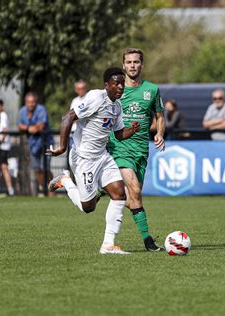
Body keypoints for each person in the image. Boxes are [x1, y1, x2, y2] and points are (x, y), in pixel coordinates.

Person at [47, 67, 140, 255]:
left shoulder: (117, 106)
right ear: (107, 85)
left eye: (122, 83)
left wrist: (133, 130)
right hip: (83, 159)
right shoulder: (96, 97)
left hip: (102, 157)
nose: (121, 86)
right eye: (116, 83)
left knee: (119, 194)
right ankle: (64, 181)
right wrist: (62, 147)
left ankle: (108, 245)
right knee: (88, 207)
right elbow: (67, 118)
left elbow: (119, 134)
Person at [106, 48, 165, 252]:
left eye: (136, 62)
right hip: (119, 147)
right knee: (136, 191)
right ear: (123, 65)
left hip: (142, 149)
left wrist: (159, 133)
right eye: (129, 62)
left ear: (142, 65)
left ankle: (106, 190)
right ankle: (148, 242)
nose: (132, 65)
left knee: (133, 198)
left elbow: (159, 116)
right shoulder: (116, 90)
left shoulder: (152, 90)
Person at [18, 92, 54, 195]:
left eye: (33, 102)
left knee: (46, 168)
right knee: (37, 169)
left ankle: (52, 191)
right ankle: (44, 189)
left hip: (46, 143)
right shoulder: (22, 111)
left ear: (36, 102)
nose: (31, 104)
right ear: (26, 102)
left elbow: (42, 125)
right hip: (33, 145)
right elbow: (20, 126)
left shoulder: (41, 109)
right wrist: (29, 128)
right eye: (29, 102)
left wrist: (36, 128)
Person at [0, 99, 15, 196]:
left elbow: (4, 130)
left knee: (3, 167)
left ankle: (10, 189)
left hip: (3, 146)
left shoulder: (3, 115)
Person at [69, 80, 88, 145]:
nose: (81, 90)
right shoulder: (74, 101)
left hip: (85, 133)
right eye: (79, 89)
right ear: (76, 90)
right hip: (74, 131)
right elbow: (71, 117)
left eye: (83, 88)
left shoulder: (89, 99)